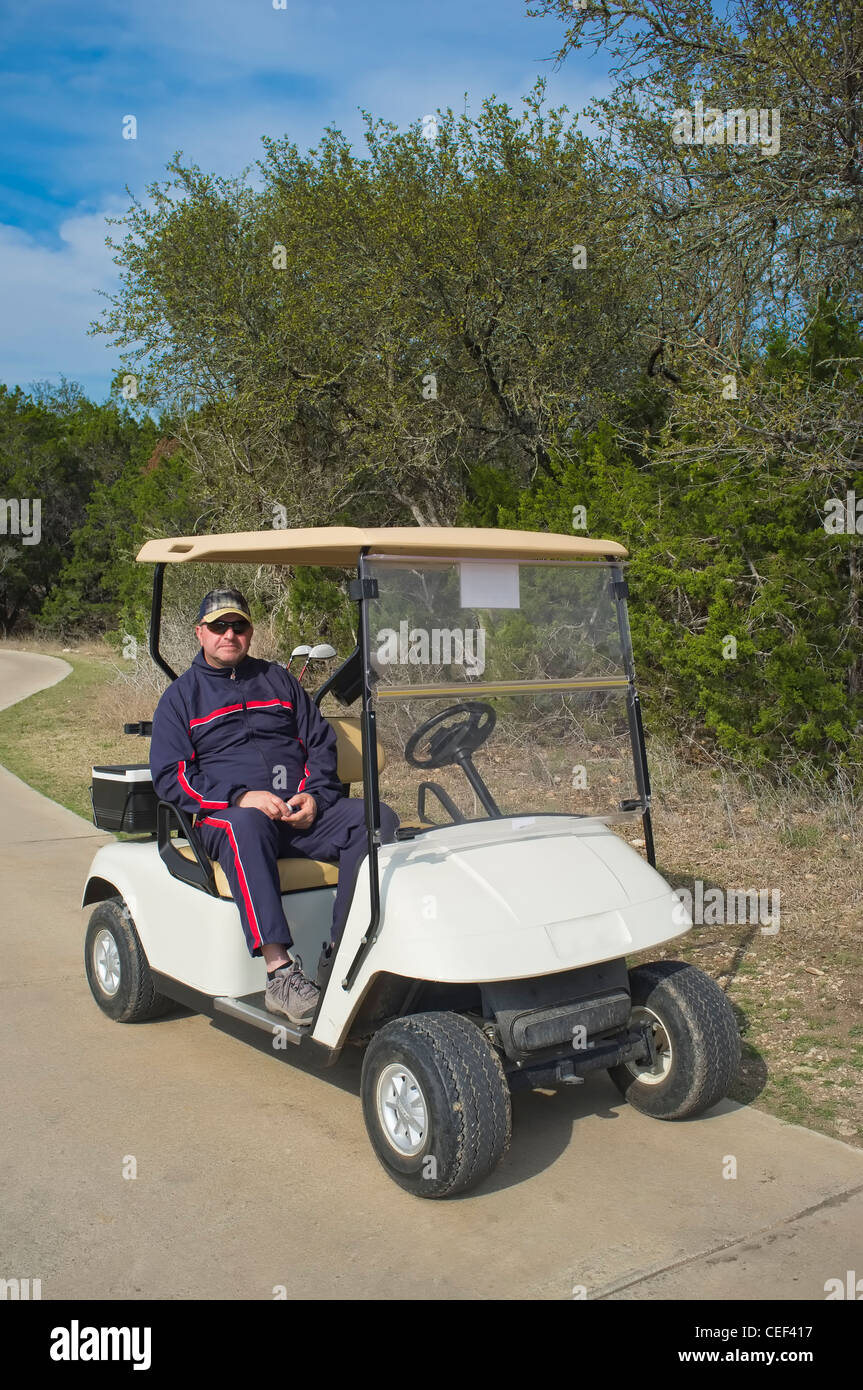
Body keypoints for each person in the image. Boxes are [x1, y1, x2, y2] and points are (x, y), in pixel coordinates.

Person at [149, 588, 399, 1026]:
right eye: (219, 626)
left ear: (249, 632)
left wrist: (315, 796)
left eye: (239, 626)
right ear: (200, 633)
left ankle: (341, 953)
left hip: (296, 812)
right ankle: (280, 973)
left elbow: (318, 742)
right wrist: (241, 797)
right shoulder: (181, 698)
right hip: (227, 817)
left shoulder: (278, 681)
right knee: (246, 824)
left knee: (376, 818)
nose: (230, 634)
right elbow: (173, 775)